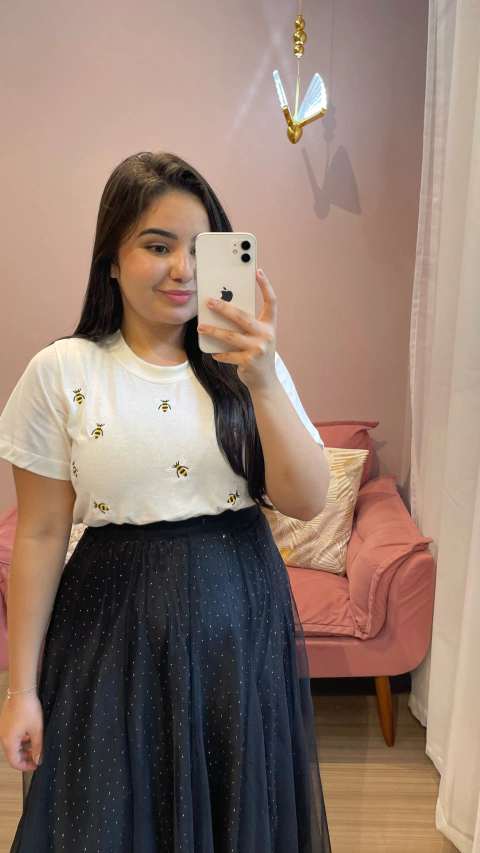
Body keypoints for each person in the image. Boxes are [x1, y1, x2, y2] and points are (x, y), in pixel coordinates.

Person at [0, 151, 332, 852]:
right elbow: (40, 534)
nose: (184, 269)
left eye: (200, 250)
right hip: (108, 628)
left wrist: (264, 379)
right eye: (157, 246)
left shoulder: (250, 365)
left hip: (239, 623)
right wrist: (20, 689)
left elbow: (307, 499)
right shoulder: (61, 372)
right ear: (111, 260)